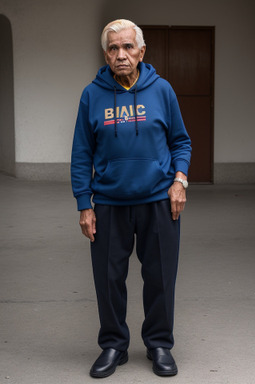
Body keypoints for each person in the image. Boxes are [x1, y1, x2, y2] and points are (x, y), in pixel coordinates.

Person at [71, 19, 191, 378]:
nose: (120, 55)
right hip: (108, 203)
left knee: (160, 277)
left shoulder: (162, 90)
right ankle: (113, 345)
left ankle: (159, 344)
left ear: (141, 51)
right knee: (108, 279)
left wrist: (179, 181)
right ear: (105, 54)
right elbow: (81, 154)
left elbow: (180, 142)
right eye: (113, 48)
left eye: (127, 47)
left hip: (158, 201)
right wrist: (83, 203)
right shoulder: (91, 95)